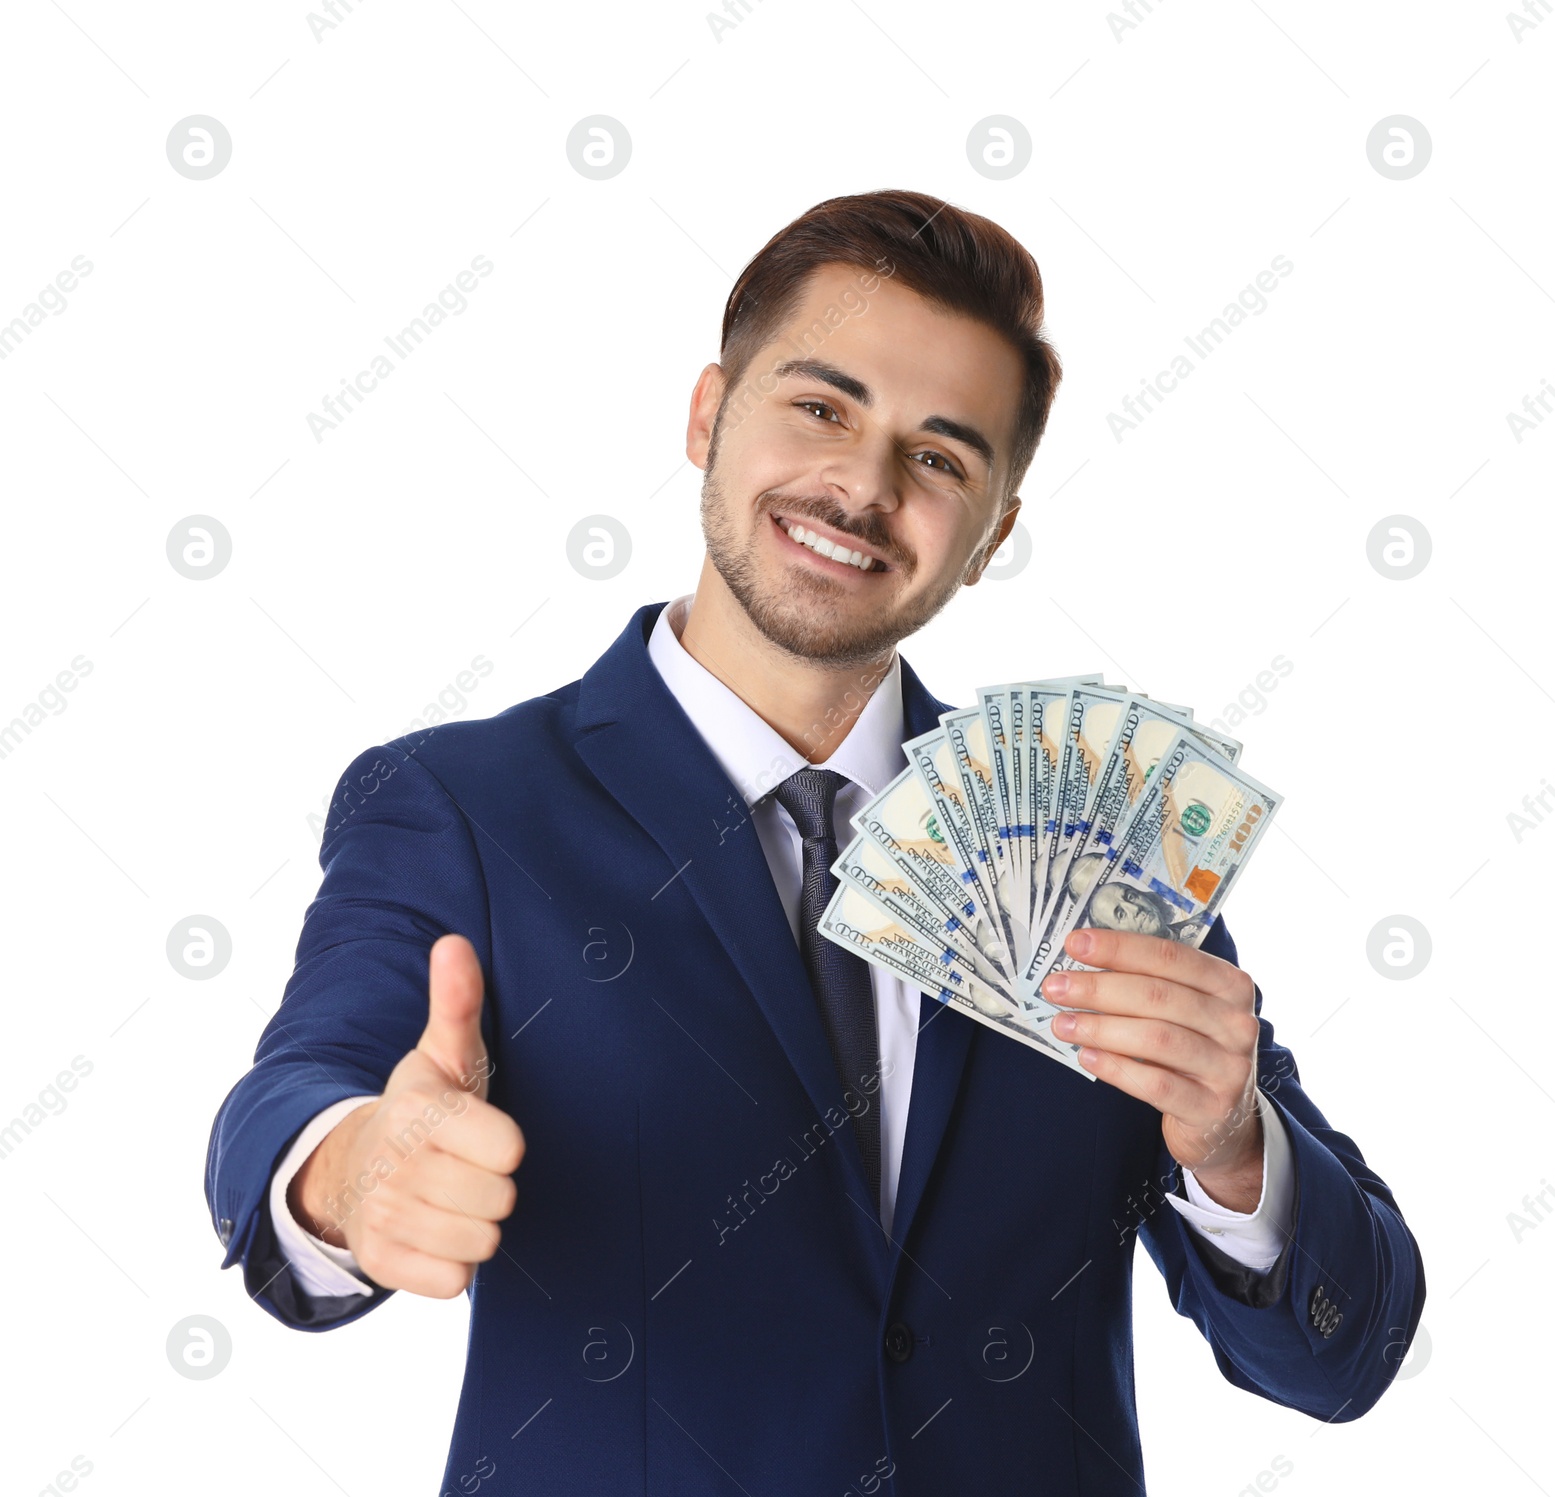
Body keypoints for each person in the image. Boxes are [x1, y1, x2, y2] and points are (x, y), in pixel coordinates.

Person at [205, 189, 1424, 1495]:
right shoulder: (466, 802)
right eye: (821, 406)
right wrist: (349, 1173)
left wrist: (1236, 1148)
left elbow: (1337, 1358)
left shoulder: (1091, 852)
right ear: (706, 415)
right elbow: (300, 1089)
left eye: (942, 456)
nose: (863, 485)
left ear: (993, 531)